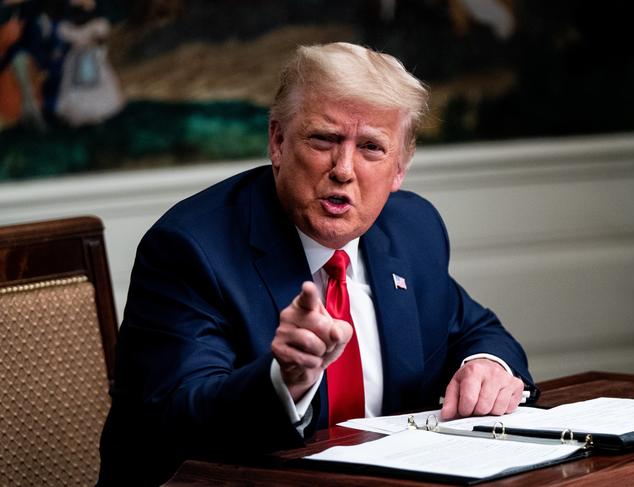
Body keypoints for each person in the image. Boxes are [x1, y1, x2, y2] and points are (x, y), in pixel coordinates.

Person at [98, 42, 537, 486]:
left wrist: (488, 365)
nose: (343, 169)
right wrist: (282, 380)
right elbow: (177, 417)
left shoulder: (412, 230)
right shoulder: (192, 248)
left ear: (400, 168)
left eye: (371, 147)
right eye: (324, 140)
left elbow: (475, 329)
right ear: (278, 141)